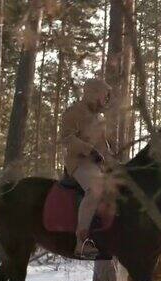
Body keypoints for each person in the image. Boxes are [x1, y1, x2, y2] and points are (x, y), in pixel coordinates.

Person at [61, 79, 112, 259]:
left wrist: (113, 160)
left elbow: (104, 145)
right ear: (93, 93)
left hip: (98, 164)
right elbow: (66, 139)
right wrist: (89, 151)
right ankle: (81, 242)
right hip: (79, 162)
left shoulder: (100, 118)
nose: (105, 100)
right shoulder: (74, 112)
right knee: (95, 190)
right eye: (103, 95)